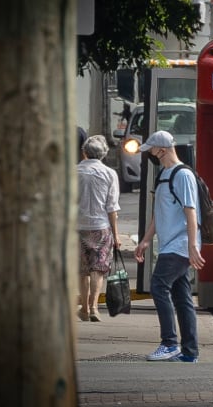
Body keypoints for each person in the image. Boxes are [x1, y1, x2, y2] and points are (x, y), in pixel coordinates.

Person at [134, 130, 206, 363]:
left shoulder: (182, 175)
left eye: (151, 150)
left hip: (181, 243)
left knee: (158, 285)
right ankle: (189, 352)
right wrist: (146, 240)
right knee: (181, 296)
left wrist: (193, 246)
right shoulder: (163, 174)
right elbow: (159, 213)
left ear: (162, 150)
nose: (149, 154)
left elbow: (191, 211)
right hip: (170, 244)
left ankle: (169, 343)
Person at [77, 135, 121, 322]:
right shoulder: (110, 174)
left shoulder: (74, 171)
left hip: (76, 227)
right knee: (98, 268)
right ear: (103, 154)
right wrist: (116, 235)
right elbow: (112, 208)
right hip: (100, 227)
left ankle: (84, 309)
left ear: (84, 152)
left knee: (81, 269)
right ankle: (95, 307)